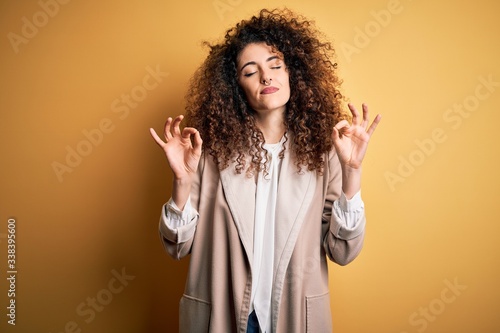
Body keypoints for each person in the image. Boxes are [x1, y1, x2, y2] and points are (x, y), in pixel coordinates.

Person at [150, 8, 381, 333]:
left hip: (293, 320)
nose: (266, 77)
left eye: (276, 65)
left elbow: (342, 252)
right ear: (235, 86)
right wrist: (181, 182)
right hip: (224, 318)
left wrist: (352, 172)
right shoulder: (209, 151)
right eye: (250, 71)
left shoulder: (326, 150)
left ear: (294, 72)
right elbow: (176, 247)